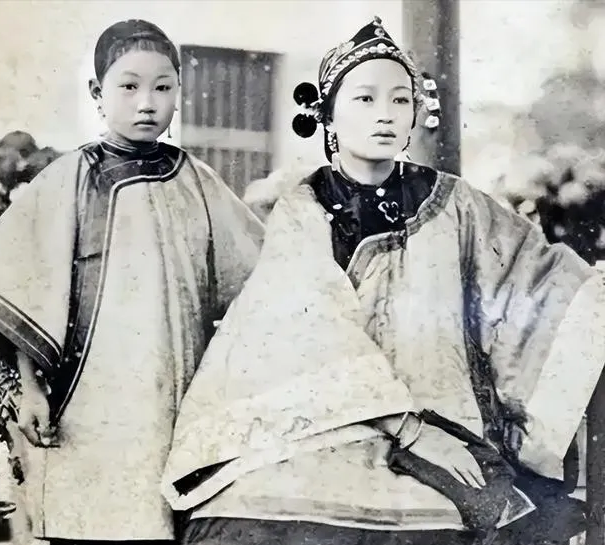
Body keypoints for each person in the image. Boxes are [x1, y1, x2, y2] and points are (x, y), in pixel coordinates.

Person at [161, 17, 605, 545]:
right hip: (327, 420)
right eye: (365, 99)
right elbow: (309, 330)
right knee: (252, 521)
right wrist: (406, 428)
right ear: (328, 114)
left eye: (400, 100)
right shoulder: (303, 209)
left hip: (443, 413)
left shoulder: (458, 204)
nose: (386, 114)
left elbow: (539, 277)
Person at [0, 19, 263, 545]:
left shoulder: (198, 181)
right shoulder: (70, 178)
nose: (147, 102)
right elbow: (17, 284)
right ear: (98, 93)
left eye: (163, 87)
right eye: (129, 86)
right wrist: (29, 388)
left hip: (179, 395)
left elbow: (263, 276)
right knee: (95, 523)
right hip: (90, 406)